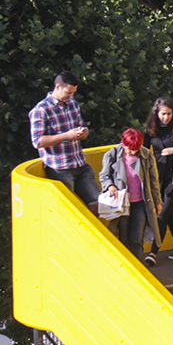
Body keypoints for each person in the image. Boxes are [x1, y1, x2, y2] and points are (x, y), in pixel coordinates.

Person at [30, 71, 95, 206]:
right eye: (68, 93)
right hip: (60, 168)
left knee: (98, 204)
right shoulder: (41, 110)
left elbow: (81, 125)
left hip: (80, 163)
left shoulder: (73, 104)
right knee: (69, 208)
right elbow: (37, 142)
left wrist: (84, 132)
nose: (71, 96)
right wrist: (66, 136)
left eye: (73, 93)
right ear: (58, 87)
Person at [99, 129, 161, 266]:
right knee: (123, 236)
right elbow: (104, 176)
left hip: (141, 203)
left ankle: (136, 266)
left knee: (137, 238)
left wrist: (157, 202)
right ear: (123, 143)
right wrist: (110, 185)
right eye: (129, 148)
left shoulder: (147, 155)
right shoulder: (112, 154)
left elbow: (154, 181)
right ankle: (124, 266)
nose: (132, 152)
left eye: (135, 149)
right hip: (122, 203)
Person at [144, 98, 173, 260]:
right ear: (156, 113)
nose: (166, 117)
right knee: (170, 213)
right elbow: (144, 152)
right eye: (163, 114)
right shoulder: (151, 129)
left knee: (162, 213)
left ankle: (153, 253)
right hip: (158, 175)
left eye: (169, 114)